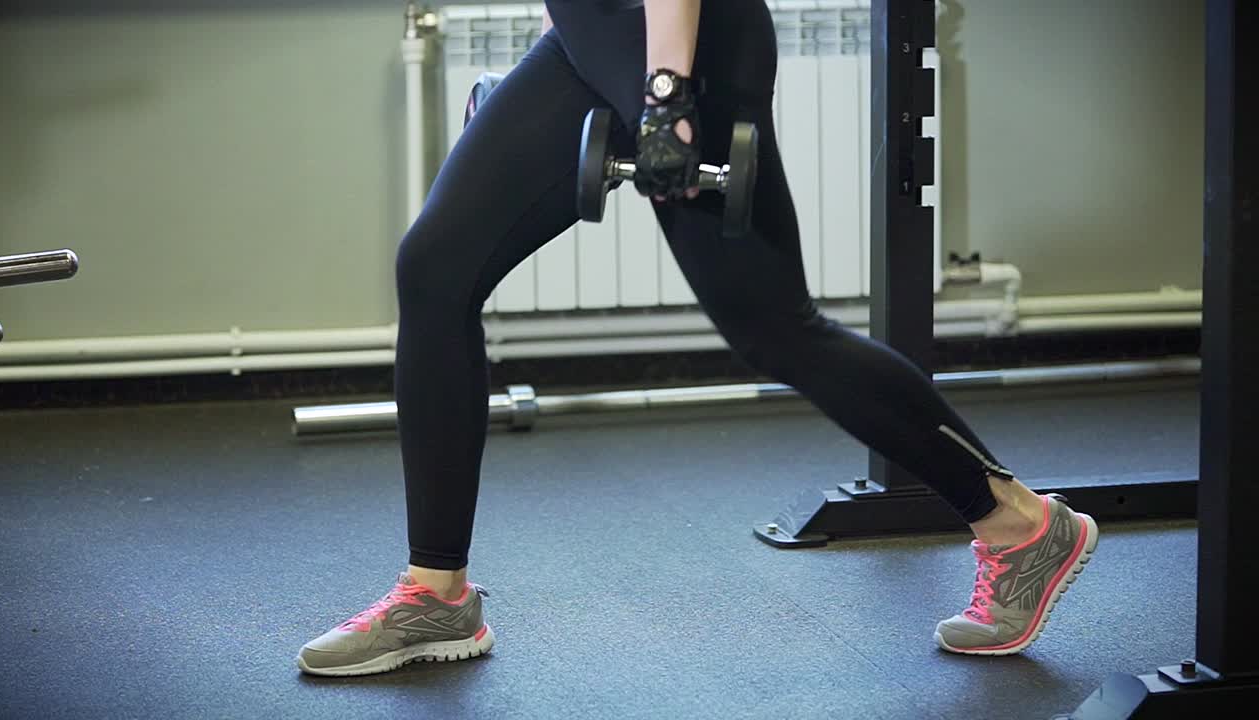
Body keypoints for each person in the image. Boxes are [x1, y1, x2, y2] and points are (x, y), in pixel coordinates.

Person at [296, 0, 1099, 676]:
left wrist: (667, 91)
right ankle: (436, 594)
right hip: (586, 42)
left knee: (777, 330)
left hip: (683, 44)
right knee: (434, 270)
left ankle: (1017, 523)